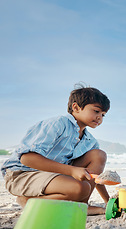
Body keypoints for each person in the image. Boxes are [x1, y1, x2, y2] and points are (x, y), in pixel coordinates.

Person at [1, 85, 112, 215]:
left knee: (98, 155)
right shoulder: (58, 124)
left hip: (53, 177)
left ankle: (82, 205)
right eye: (96, 111)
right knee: (80, 188)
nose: (100, 117)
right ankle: (28, 201)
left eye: (103, 115)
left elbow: (93, 176)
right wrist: (72, 170)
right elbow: (27, 158)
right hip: (23, 173)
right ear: (76, 108)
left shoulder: (90, 141)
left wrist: (108, 201)